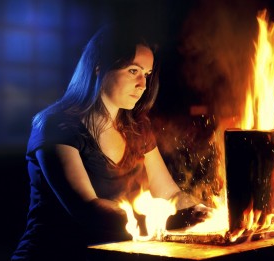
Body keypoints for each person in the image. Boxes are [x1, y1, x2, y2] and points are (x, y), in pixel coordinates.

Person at [11, 22, 210, 261]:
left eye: (146, 75)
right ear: (98, 67)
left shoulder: (138, 129)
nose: (143, 85)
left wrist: (204, 212)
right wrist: (168, 219)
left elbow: (170, 194)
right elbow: (87, 209)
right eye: (133, 71)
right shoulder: (56, 127)